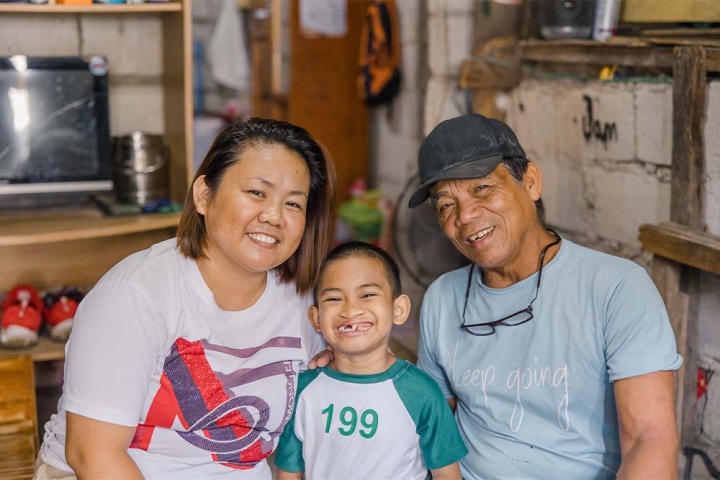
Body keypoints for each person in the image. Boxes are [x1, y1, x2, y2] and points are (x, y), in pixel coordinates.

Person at [36, 118, 336, 480]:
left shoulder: (304, 302)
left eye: (293, 204)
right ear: (203, 196)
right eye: (257, 193)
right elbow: (92, 455)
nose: (273, 216)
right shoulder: (135, 295)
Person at [409, 114, 682, 480]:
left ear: (531, 182)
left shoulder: (617, 288)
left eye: (482, 189)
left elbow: (650, 440)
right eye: (445, 205)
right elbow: (436, 433)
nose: (466, 216)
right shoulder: (442, 299)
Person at [274, 241, 467, 480]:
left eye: (367, 294)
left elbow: (447, 474)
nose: (351, 309)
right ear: (316, 318)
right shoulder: (302, 389)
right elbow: (289, 472)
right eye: (334, 299)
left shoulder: (422, 392)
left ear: (398, 309)